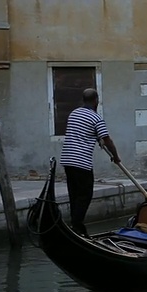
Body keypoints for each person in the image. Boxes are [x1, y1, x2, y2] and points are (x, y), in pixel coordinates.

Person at [59, 88, 120, 237]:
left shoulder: (74, 113)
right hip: (81, 162)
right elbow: (108, 140)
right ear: (96, 100)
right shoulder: (96, 118)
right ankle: (77, 226)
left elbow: (83, 132)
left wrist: (95, 137)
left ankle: (75, 226)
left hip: (67, 160)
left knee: (74, 194)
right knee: (85, 195)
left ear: (83, 100)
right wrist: (116, 157)